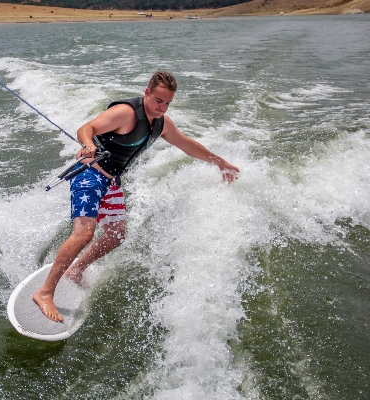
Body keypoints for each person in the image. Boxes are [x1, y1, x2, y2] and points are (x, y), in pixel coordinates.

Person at [33, 71, 240, 322]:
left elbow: (187, 145)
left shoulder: (162, 124)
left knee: (116, 235)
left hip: (111, 181)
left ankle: (76, 270)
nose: (161, 107)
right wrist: (88, 144)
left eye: (167, 103)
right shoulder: (126, 113)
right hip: (90, 173)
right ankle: (45, 293)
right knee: (85, 232)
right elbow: (85, 128)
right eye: (158, 100)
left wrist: (220, 163)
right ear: (147, 93)